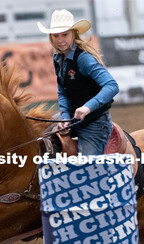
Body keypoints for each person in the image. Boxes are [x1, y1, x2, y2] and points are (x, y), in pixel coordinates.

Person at [37, 9, 119, 155]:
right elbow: (62, 90)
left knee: (86, 167)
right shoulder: (58, 58)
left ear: (73, 34)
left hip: (94, 124)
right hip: (74, 119)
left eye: (65, 34)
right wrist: (65, 116)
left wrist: (87, 107)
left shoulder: (84, 58)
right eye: (56, 35)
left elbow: (112, 86)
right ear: (51, 37)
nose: (61, 39)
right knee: (36, 132)